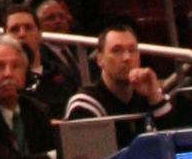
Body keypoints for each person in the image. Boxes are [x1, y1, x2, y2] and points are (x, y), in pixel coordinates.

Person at [64, 25, 192, 134]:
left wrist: (155, 97)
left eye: (132, 50)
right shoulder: (84, 104)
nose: (127, 57)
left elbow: (177, 148)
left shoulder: (148, 96)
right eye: (117, 51)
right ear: (100, 59)